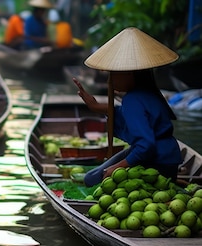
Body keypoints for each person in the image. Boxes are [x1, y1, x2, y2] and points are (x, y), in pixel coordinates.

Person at [73, 27, 181, 187]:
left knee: (92, 179)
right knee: (95, 174)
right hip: (169, 156)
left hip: (156, 160)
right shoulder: (150, 92)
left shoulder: (132, 99)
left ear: (129, 73)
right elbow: (131, 116)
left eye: (114, 73)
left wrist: (117, 167)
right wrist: (96, 106)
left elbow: (146, 146)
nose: (110, 79)